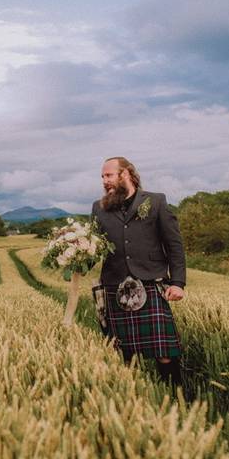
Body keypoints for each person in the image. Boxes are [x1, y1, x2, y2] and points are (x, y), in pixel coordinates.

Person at [90, 157, 186, 387]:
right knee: (123, 353)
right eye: (102, 177)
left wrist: (178, 283)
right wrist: (75, 255)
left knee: (164, 351)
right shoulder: (99, 207)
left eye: (109, 175)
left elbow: (174, 245)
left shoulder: (155, 201)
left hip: (150, 282)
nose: (104, 181)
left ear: (126, 174)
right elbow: (94, 246)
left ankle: (175, 397)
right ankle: (133, 398)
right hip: (113, 285)